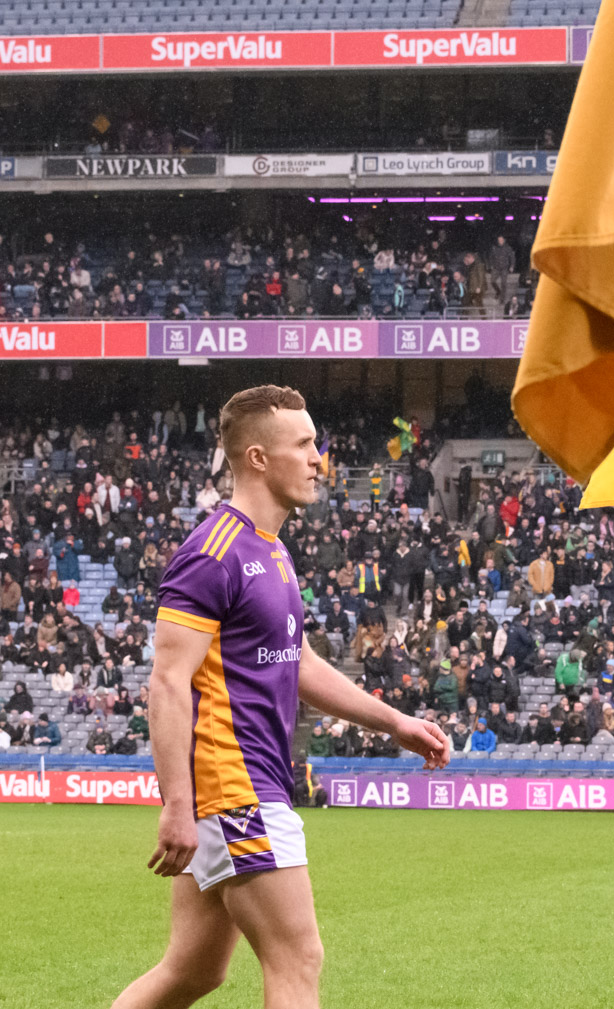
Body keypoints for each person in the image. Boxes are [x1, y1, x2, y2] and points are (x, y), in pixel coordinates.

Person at [112, 385, 448, 1009]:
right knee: (298, 959)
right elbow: (166, 681)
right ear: (259, 458)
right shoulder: (212, 553)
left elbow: (298, 663)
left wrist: (393, 722)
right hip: (234, 788)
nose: (320, 458)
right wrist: (178, 805)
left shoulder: (271, 551)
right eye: (305, 444)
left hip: (236, 791)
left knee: (193, 972)